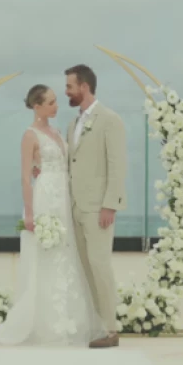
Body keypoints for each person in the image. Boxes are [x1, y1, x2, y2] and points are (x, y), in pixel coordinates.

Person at [0, 84, 108, 347]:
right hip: (46, 199)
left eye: (55, 101)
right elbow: (26, 177)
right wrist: (29, 213)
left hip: (64, 197)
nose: (56, 106)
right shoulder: (30, 136)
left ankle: (74, 321)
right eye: (50, 102)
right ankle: (46, 323)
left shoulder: (58, 131)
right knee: (47, 255)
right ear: (36, 106)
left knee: (67, 252)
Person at [63, 64, 127, 348]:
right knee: (86, 268)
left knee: (101, 266)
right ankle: (96, 325)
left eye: (69, 87)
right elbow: (71, 163)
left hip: (98, 208)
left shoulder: (109, 119)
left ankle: (111, 330)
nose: (67, 92)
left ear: (84, 87)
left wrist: (110, 205)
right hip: (75, 207)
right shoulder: (73, 124)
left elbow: (117, 165)